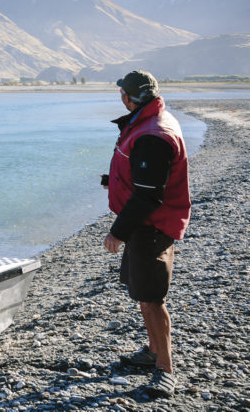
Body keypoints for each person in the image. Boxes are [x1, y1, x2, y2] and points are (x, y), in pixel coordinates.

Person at [101, 70, 190, 399]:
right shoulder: (150, 119)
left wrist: (117, 233)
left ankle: (165, 370)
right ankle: (153, 351)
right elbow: (143, 177)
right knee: (143, 293)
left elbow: (149, 196)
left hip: (151, 225)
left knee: (152, 299)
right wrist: (112, 181)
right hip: (144, 223)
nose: (120, 96)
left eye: (121, 91)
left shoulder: (153, 133)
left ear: (128, 96)